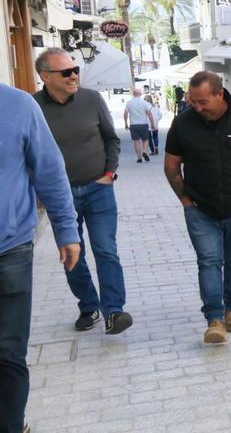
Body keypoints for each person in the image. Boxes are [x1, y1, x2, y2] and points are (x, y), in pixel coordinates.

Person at [165, 71, 231, 344]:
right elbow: (171, 166)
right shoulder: (183, 123)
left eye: (203, 102)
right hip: (200, 207)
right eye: (193, 101)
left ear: (219, 94)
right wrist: (187, 202)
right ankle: (214, 319)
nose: (197, 107)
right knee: (209, 261)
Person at [33, 47, 133, 335]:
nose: (73, 75)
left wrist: (109, 173)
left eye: (74, 69)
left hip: (98, 189)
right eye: (65, 72)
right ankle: (89, 306)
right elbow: (27, 151)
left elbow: (111, 139)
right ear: (45, 76)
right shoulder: (33, 107)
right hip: (59, 196)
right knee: (72, 254)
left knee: (106, 249)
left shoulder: (92, 99)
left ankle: (114, 311)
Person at [0, 83, 79, 433]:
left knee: (8, 352)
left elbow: (49, 169)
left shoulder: (18, 105)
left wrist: (67, 230)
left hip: (10, 248)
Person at [124, 88, 156, 163]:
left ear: (133, 94)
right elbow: (149, 114)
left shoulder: (129, 103)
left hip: (133, 125)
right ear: (140, 94)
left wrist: (126, 123)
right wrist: (152, 124)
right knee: (146, 139)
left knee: (136, 141)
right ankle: (144, 151)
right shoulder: (144, 102)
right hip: (143, 124)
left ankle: (139, 158)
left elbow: (125, 113)